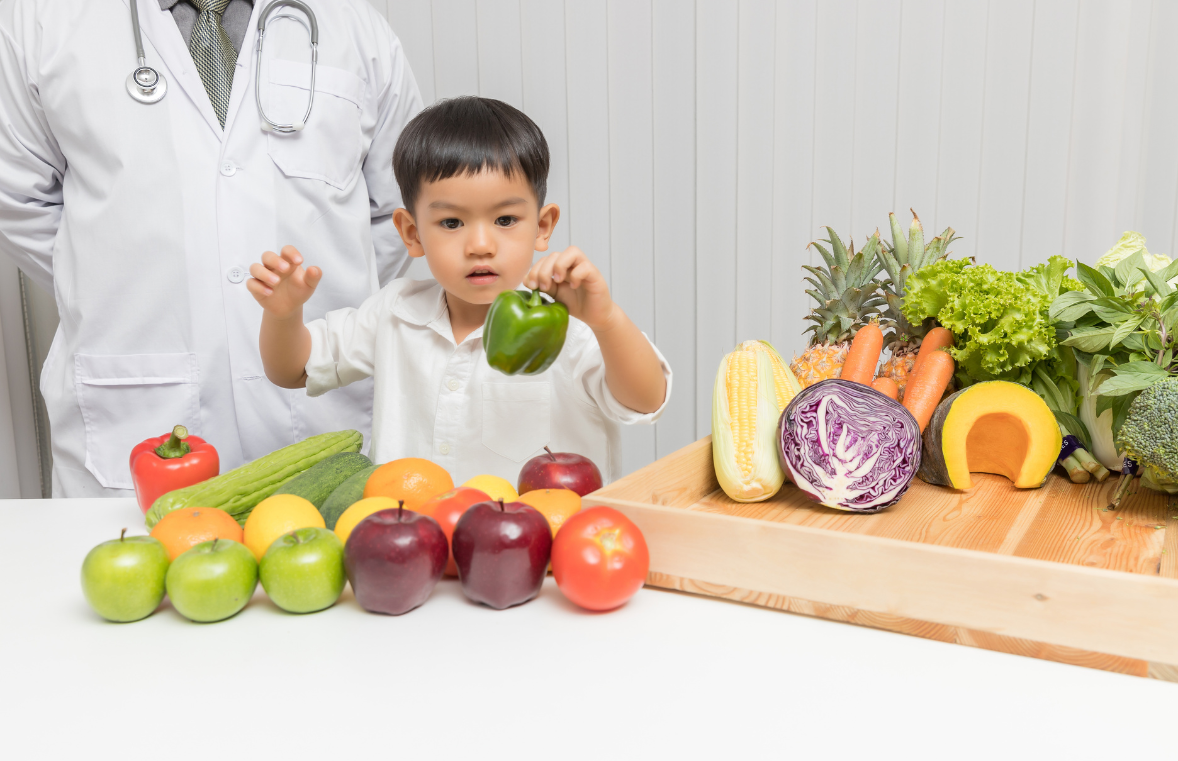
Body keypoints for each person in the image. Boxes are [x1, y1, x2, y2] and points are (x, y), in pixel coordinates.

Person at [0, 0, 422, 496]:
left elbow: (400, 208)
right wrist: (114, 285)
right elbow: (18, 198)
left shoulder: (351, 23)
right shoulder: (42, 19)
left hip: (316, 416)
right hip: (134, 410)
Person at [246, 97, 671, 485]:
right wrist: (283, 315)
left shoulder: (571, 323)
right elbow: (292, 371)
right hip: (415, 550)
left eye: (505, 220)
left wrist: (607, 320)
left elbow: (645, 401)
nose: (480, 245)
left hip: (547, 554)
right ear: (412, 234)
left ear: (542, 227)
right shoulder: (393, 312)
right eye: (452, 223)